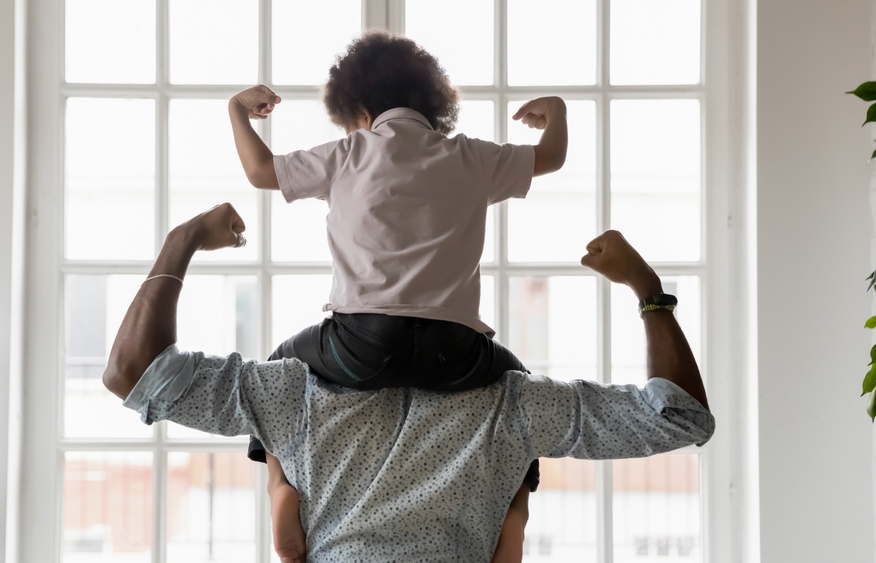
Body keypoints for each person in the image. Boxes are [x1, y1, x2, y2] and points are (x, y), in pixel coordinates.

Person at [103, 203, 714, 563]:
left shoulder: (292, 393)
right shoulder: (513, 402)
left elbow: (132, 371)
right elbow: (681, 416)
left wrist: (182, 242)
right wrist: (647, 291)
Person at [228, 31, 568, 558]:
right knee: (516, 387)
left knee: (277, 369)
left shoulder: (348, 153)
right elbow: (550, 158)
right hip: (456, 353)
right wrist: (557, 112)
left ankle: (282, 485)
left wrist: (237, 112)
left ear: (357, 107)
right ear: (434, 102)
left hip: (358, 345)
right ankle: (513, 511)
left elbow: (258, 171)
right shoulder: (470, 156)